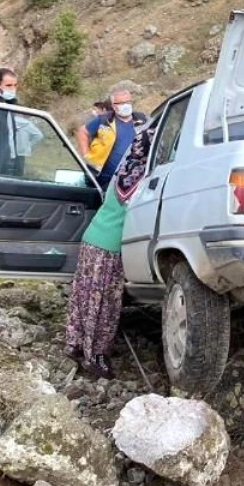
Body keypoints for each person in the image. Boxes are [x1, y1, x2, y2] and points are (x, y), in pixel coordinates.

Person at [64, 125, 155, 378]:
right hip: (109, 249)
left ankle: (76, 344)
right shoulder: (143, 182)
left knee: (84, 297)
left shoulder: (123, 172)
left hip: (92, 240)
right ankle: (96, 357)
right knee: (104, 305)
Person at [78, 82, 145, 190]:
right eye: (122, 103)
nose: (126, 105)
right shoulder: (104, 120)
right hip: (104, 179)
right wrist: (86, 155)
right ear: (114, 106)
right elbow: (83, 132)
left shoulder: (141, 120)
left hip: (133, 179)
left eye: (128, 102)